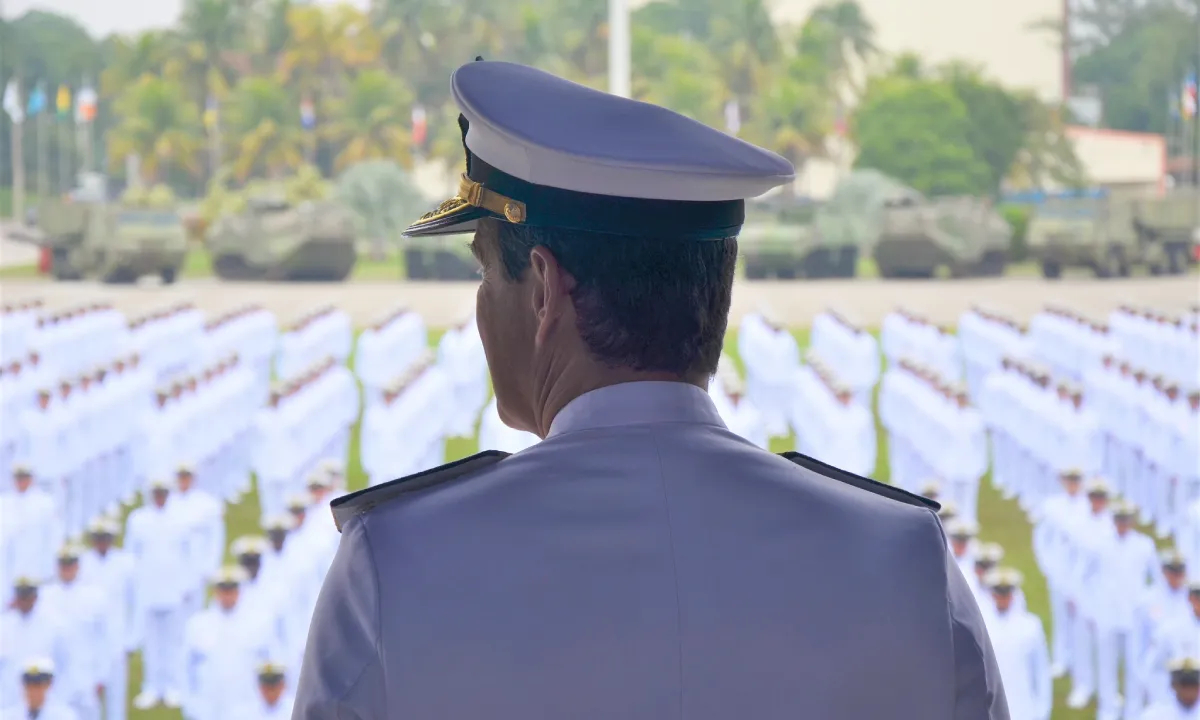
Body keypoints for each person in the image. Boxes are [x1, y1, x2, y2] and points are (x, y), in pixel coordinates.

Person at [294, 59, 1007, 719]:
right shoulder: (902, 560)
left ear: (542, 291)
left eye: (485, 271)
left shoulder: (401, 562)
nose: (482, 305)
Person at [981, 569, 1051, 720]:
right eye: (999, 594)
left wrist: (1043, 711)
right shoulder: (983, 625)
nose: (1002, 599)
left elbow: (1041, 672)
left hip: (1024, 708)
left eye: (1005, 595)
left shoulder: (1031, 626)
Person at [0, 658, 79, 720]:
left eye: (37, 686)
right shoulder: (8, 716)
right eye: (29, 686)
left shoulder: (64, 716)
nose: (33, 691)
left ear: (48, 685)